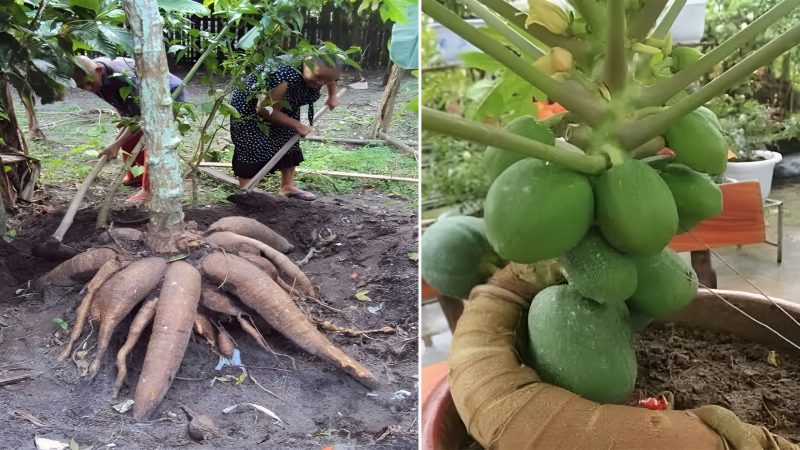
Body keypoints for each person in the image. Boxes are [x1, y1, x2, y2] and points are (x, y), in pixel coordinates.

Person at [229, 52, 345, 201]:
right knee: (252, 147)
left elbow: (328, 77)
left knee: (288, 140)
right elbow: (264, 109)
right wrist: (297, 125)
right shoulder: (282, 75)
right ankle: (248, 194)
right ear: (308, 60)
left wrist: (332, 95)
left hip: (284, 104)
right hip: (252, 109)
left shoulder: (321, 70)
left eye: (329, 80)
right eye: (318, 77)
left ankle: (287, 187)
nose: (322, 83)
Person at [71, 55, 186, 204]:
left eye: (89, 83)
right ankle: (135, 175)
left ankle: (150, 189)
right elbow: (118, 100)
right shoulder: (95, 75)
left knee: (155, 138)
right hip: (141, 102)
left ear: (99, 70)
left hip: (167, 93)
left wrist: (116, 145)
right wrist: (123, 119)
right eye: (81, 86)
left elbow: (140, 117)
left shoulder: (125, 78)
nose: (88, 88)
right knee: (128, 137)